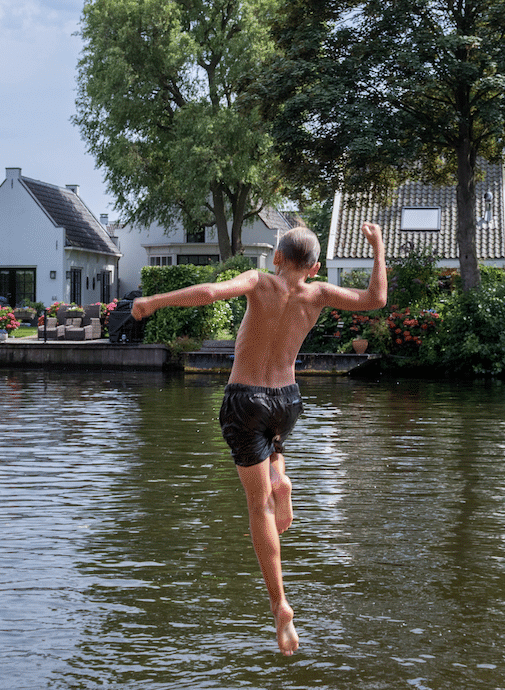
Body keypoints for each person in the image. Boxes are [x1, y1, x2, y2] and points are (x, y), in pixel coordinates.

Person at [129, 223, 388, 656]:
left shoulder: (260, 282)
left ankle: (280, 605)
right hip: (287, 402)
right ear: (315, 266)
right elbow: (376, 300)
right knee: (273, 453)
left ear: (277, 258)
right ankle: (281, 478)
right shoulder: (319, 292)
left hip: (245, 399)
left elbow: (210, 292)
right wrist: (377, 248)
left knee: (258, 505)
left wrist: (153, 301)